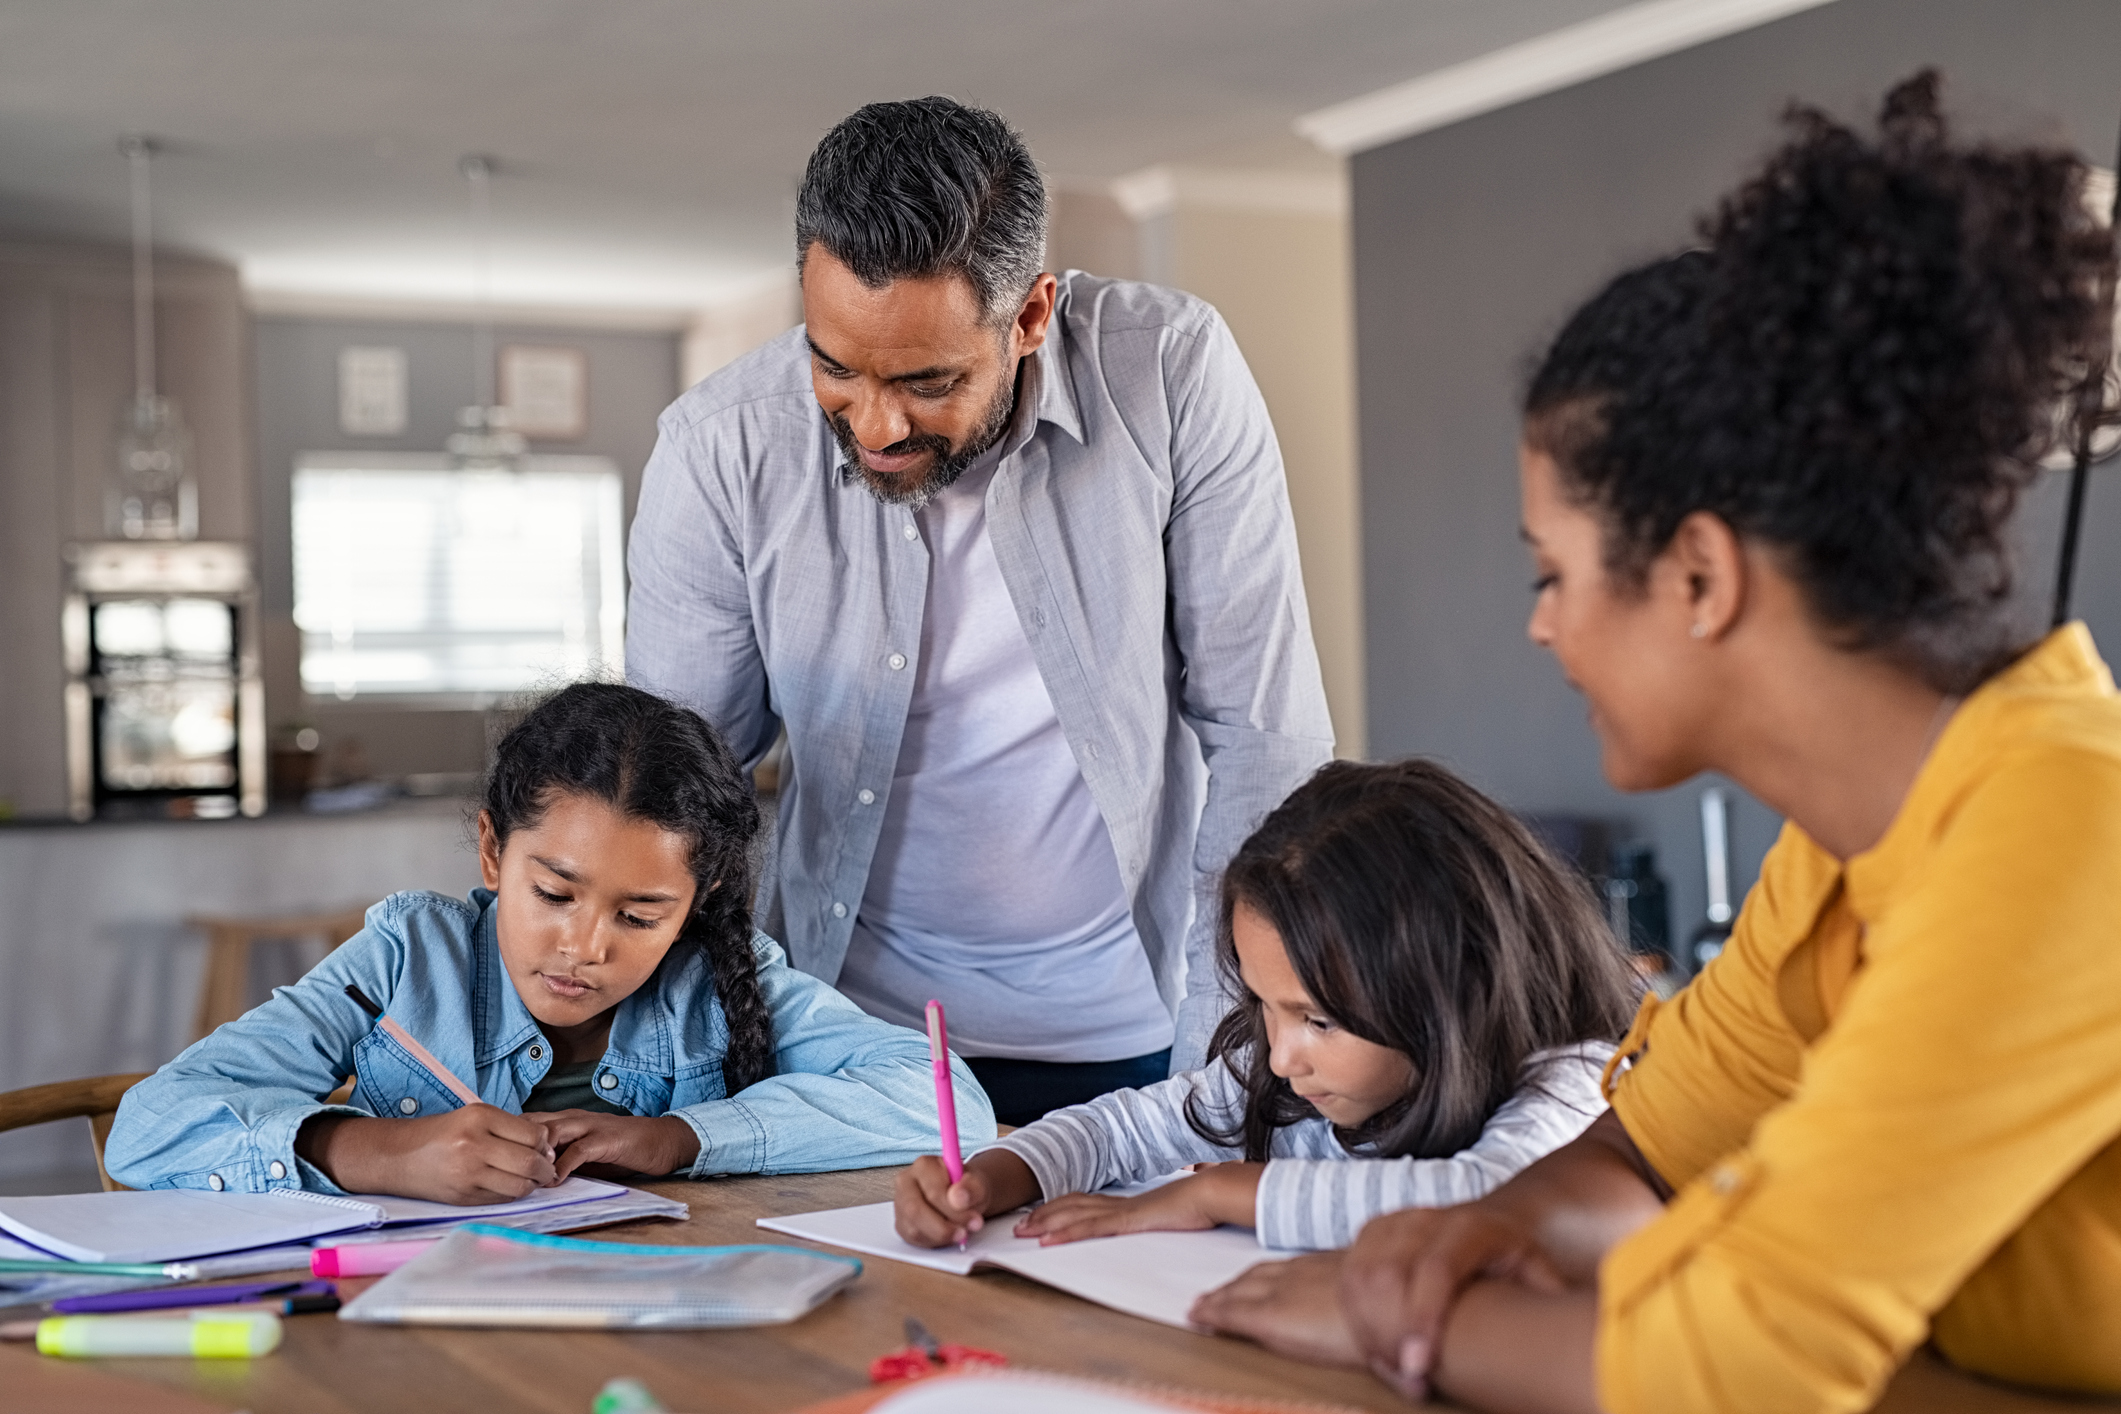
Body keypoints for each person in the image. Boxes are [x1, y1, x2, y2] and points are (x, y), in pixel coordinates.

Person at [1190, 72, 2121, 1412]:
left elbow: (1736, 1363)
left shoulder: (2056, 822)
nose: (1541, 629)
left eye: (1551, 575)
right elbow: (1652, 1146)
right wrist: (1485, 1228)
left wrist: (1388, 1322)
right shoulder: (1843, 848)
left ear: (1697, 575)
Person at [625, 97, 1334, 1124]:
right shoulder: (718, 446)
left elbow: (1268, 738)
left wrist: (1227, 1060)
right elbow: (670, 791)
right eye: (835, 365)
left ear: (1032, 316)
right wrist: (675, 1066)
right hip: (850, 1041)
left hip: (1145, 1029)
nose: (874, 423)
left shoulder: (1172, 372)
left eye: (926, 380)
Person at [106, 683, 995, 1200]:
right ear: (495, 851)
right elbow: (147, 1130)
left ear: (697, 902)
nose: (584, 945)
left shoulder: (723, 980)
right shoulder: (407, 957)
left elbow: (944, 1100)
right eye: (554, 893)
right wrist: (374, 1151)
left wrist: (684, 1137)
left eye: (640, 915)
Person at [892, 758, 1639, 1253]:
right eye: (1263, 1004)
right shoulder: (1284, 1073)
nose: (1280, 1058)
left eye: (1318, 1019)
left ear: (1455, 988)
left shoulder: (1575, 1083)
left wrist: (1220, 1192)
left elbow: (1493, 1199)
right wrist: (994, 1177)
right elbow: (1121, 1129)